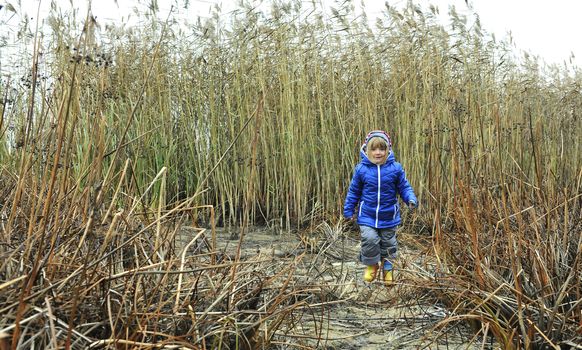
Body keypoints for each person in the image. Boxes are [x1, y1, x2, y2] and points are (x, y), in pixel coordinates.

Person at [343, 130, 417, 285]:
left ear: (388, 150)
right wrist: (349, 210)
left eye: (382, 149)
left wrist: (410, 198)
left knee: (388, 243)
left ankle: (388, 268)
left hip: (388, 215)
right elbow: (354, 191)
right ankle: (372, 265)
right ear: (367, 150)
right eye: (374, 149)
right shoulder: (362, 169)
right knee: (369, 239)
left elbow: (404, 187)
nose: (378, 153)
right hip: (367, 215)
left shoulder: (395, 168)